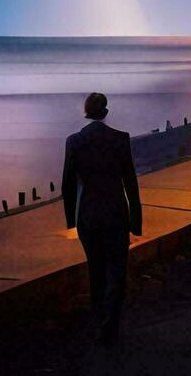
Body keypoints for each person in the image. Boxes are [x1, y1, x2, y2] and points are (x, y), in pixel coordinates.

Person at [61, 91, 142, 345]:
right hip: (116, 215)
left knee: (96, 272)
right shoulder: (121, 139)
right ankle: (110, 327)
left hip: (89, 217)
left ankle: (98, 322)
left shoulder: (74, 141)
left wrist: (71, 222)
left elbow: (68, 185)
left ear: (86, 112)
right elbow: (130, 182)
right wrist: (136, 221)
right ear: (105, 113)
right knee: (117, 273)